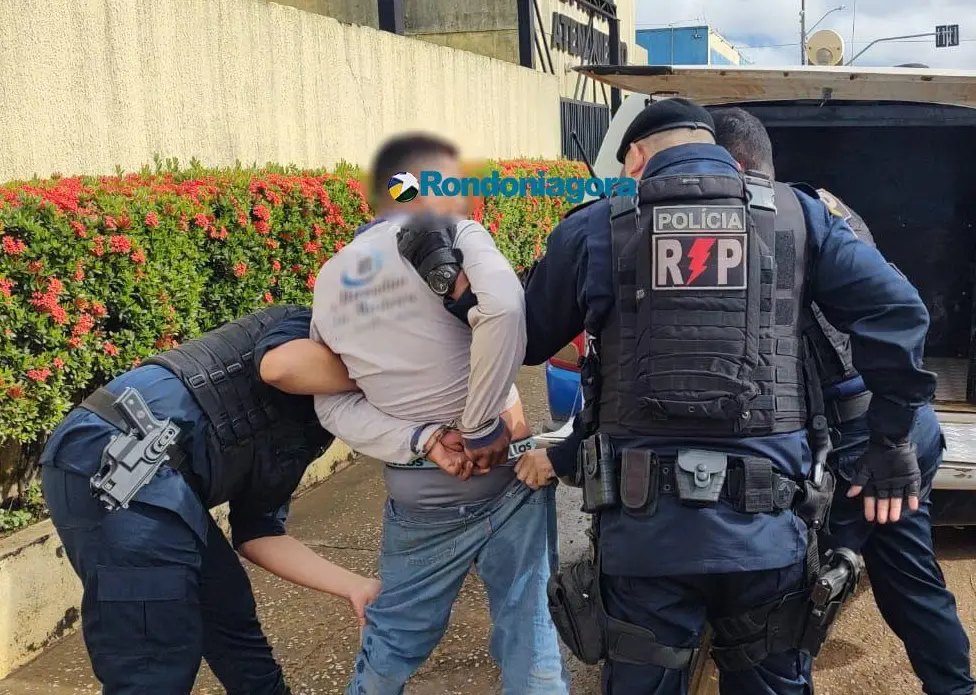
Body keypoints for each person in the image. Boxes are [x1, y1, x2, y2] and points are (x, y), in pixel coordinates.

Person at [431, 97, 935, 695]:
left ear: (636, 158)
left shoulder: (595, 226)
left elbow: (524, 334)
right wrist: (891, 440)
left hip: (644, 536)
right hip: (766, 533)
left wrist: (454, 288)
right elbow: (898, 311)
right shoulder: (797, 216)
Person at [712, 105, 974, 695]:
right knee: (908, 577)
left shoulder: (764, 225)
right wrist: (897, 438)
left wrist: (886, 442)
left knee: (793, 595)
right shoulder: (820, 207)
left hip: (860, 441)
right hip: (896, 429)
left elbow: (898, 312)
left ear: (733, 166)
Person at [297, 133, 569, 695]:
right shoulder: (457, 235)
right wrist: (480, 425)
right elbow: (503, 309)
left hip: (420, 496)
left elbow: (332, 403)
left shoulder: (331, 277)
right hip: (507, 481)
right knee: (529, 637)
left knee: (392, 643)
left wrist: (422, 438)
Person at [39, 305, 386, 695]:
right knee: (154, 659)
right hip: (113, 456)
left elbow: (259, 532)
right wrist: (388, 381)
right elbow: (281, 367)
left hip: (169, 485)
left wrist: (355, 586)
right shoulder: (310, 325)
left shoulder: (311, 429)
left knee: (228, 612)